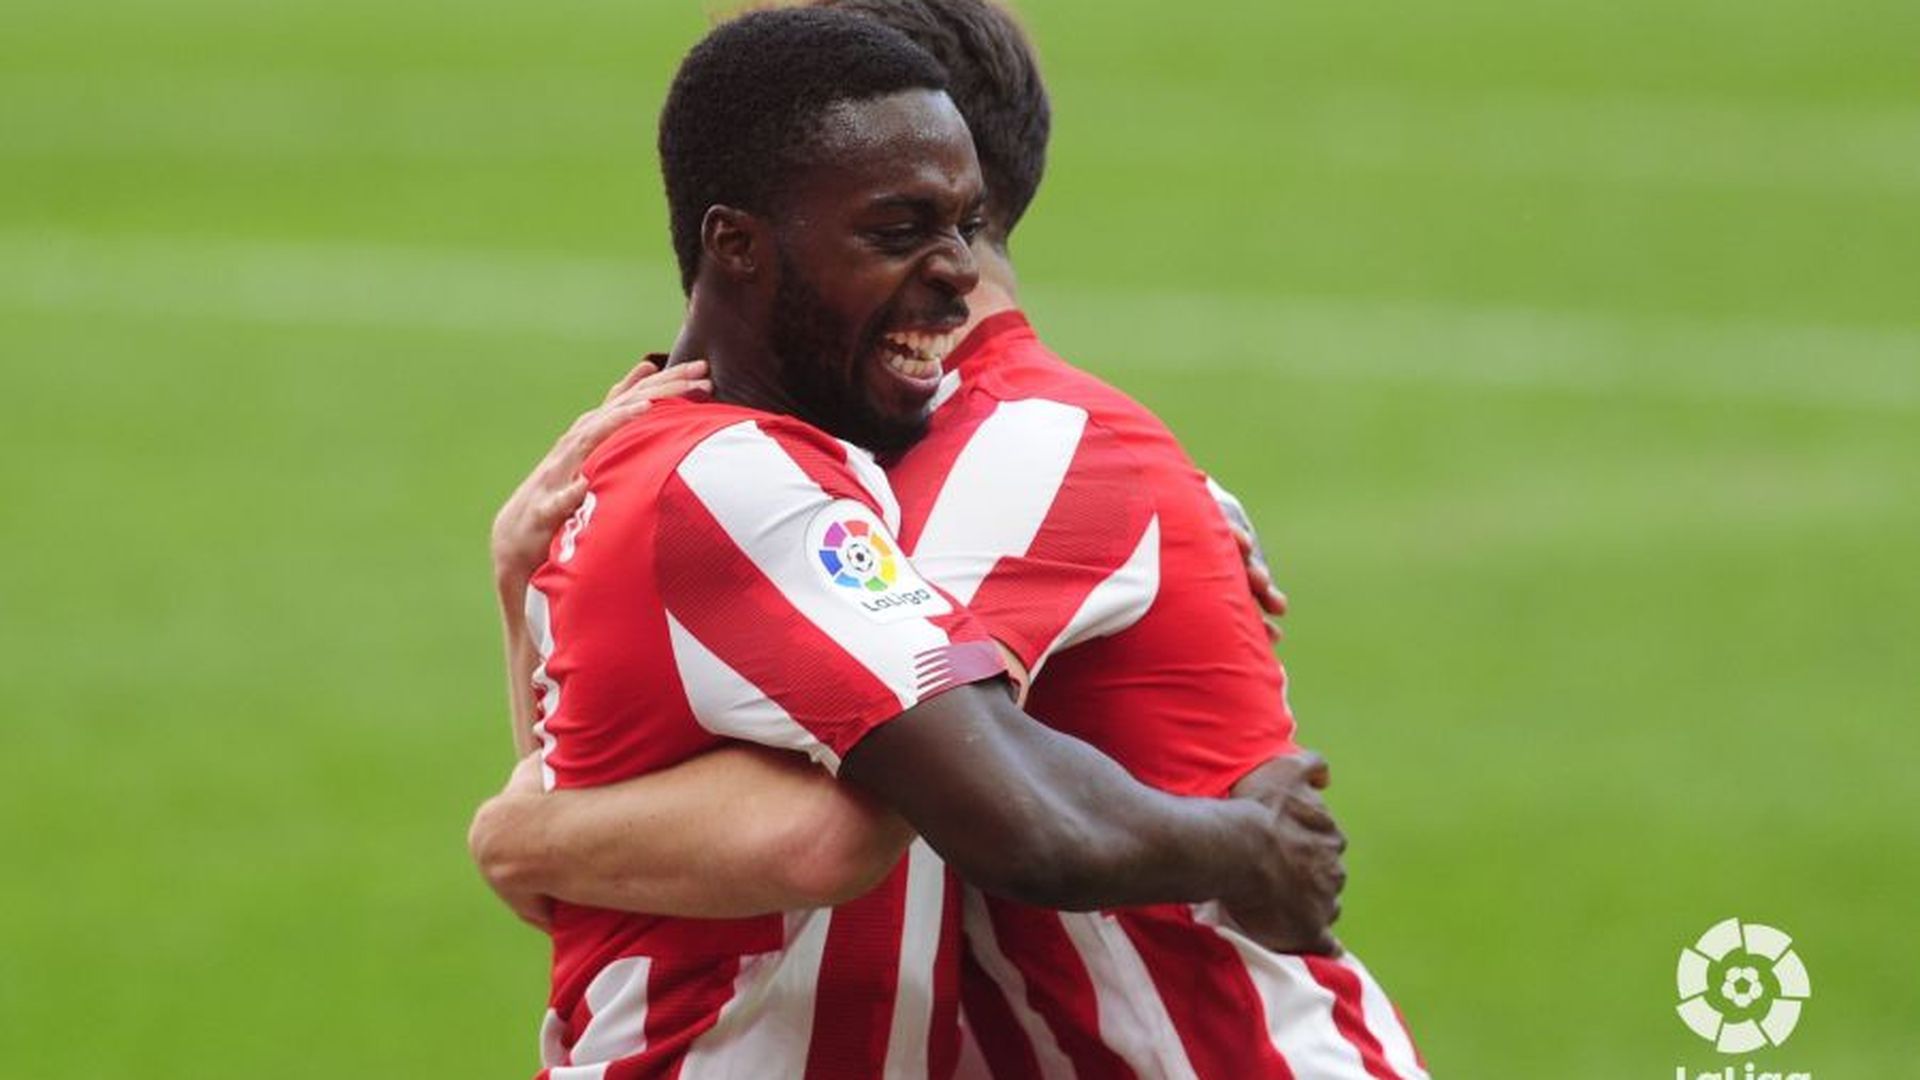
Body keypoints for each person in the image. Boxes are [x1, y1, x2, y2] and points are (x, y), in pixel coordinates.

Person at [489, 9, 1346, 1077]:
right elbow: (810, 823)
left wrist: (523, 831)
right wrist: (520, 791)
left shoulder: (1009, 452)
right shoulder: (779, 467)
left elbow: (861, 819)